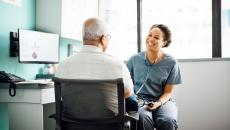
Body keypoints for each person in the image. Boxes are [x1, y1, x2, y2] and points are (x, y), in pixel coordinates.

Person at [55, 18, 135, 119]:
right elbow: (128, 93)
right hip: (110, 125)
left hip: (73, 125)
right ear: (103, 39)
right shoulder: (117, 65)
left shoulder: (62, 65)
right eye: (108, 37)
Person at [127, 24, 182, 130]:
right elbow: (127, 87)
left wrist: (158, 103)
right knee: (143, 117)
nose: (151, 39)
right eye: (150, 35)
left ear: (164, 43)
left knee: (168, 120)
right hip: (140, 100)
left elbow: (168, 92)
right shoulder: (134, 60)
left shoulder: (171, 62)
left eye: (156, 37)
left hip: (163, 101)